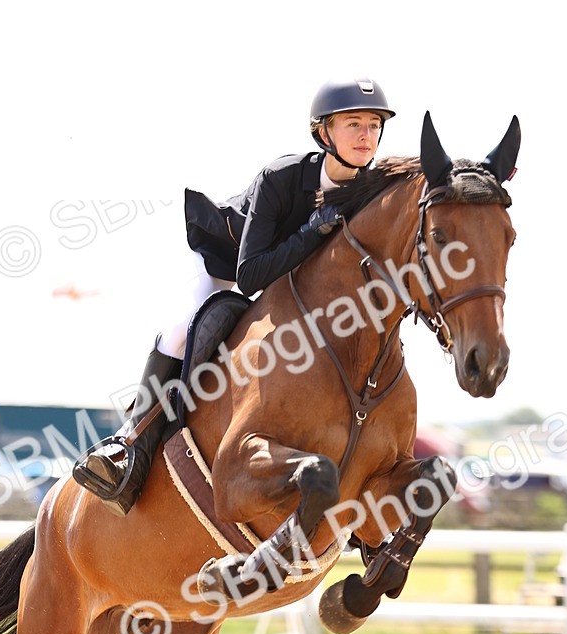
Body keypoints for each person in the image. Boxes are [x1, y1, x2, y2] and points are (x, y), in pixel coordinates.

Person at [74, 78, 396, 516]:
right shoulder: (280, 178)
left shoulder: (371, 188)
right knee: (182, 331)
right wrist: (312, 230)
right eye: (353, 123)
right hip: (229, 263)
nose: (365, 136)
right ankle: (129, 444)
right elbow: (250, 274)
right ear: (323, 132)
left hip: (296, 287)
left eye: (374, 125)